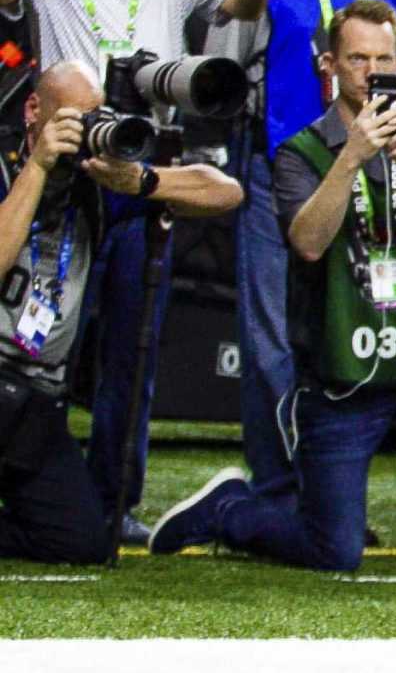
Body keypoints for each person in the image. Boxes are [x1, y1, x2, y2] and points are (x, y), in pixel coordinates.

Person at [149, 1, 396, 577]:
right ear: (330, 66)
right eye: (358, 58)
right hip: (342, 375)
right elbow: (309, 243)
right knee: (334, 552)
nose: (372, 71)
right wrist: (352, 159)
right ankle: (229, 512)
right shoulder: (301, 153)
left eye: (383, 58)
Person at [0, 0, 272, 535]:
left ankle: (110, 502)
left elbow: (242, 5)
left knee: (134, 346)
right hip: (61, 167)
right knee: (43, 339)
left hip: (143, 164)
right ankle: (25, 470)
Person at [0, 63, 239, 562]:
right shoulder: (4, 167)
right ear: (32, 111)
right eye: (72, 118)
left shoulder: (98, 186)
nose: (85, 130)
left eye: (95, 117)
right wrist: (37, 168)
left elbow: (226, 192)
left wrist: (141, 182)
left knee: (82, 543)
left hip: (35, 401)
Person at [232, 0, 396, 491]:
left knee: (349, 322)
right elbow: (241, 26)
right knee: (269, 333)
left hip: (362, 167)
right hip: (280, 163)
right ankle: (275, 478)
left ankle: (329, 479)